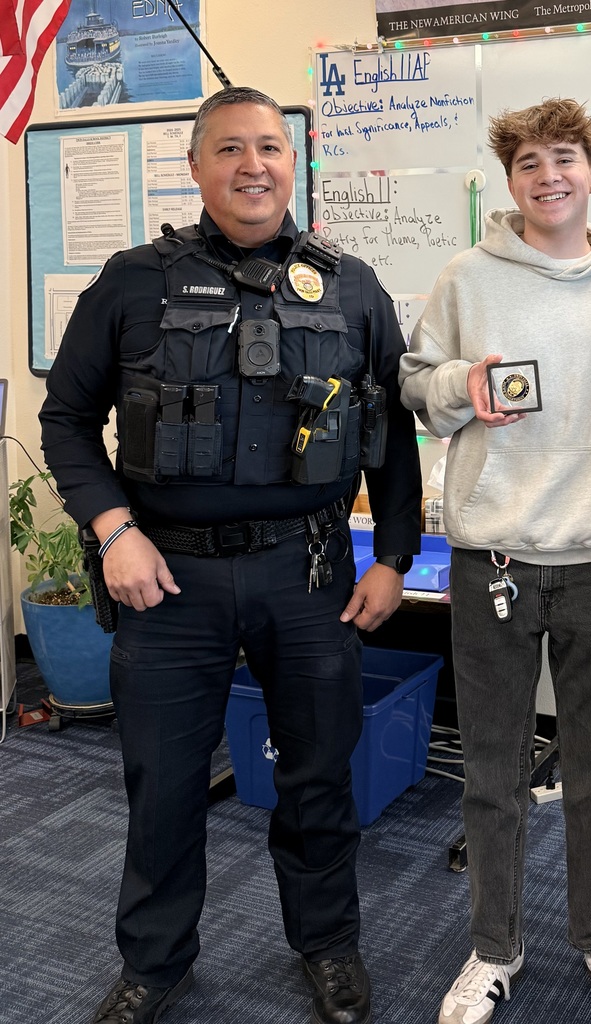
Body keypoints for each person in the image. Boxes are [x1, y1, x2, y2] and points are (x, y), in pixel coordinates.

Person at [39, 86, 422, 1024]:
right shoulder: (132, 282)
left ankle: (326, 945)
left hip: (311, 576)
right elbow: (66, 421)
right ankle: (154, 963)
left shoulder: (352, 285)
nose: (253, 166)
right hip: (167, 578)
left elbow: (395, 434)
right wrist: (113, 531)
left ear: (293, 163)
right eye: (230, 150)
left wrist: (394, 557)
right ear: (197, 166)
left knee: (318, 775)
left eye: (269, 149)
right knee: (163, 785)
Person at [400, 98, 591, 1024]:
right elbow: (415, 385)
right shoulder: (468, 276)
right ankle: (490, 950)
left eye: (564, 159)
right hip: (492, 561)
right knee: (491, 771)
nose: (547, 176)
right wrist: (461, 388)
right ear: (508, 183)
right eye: (527, 165)